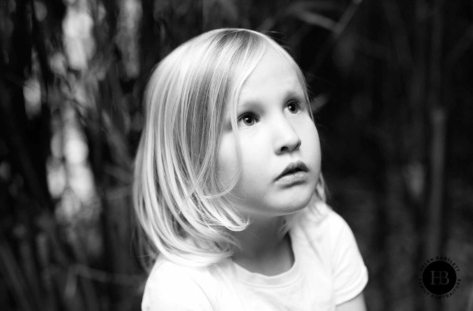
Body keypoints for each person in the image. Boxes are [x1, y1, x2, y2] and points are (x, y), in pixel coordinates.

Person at [133, 28, 368, 310]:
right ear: (193, 157)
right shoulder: (181, 289)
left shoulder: (326, 236)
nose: (290, 138)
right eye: (248, 118)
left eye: (293, 106)